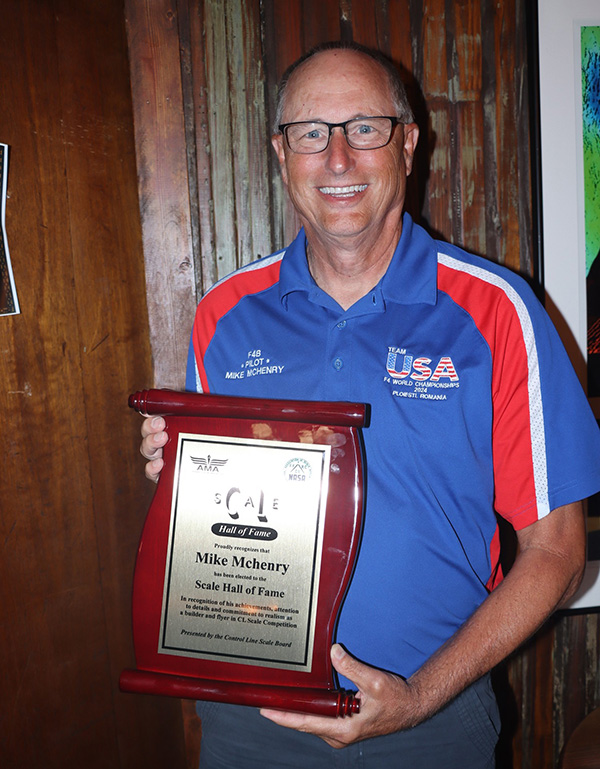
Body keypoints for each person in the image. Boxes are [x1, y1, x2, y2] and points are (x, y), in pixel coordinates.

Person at [140, 41, 600, 768]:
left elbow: (559, 551)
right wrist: (178, 472)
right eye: (311, 134)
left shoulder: (497, 313)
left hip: (432, 722)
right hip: (251, 718)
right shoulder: (224, 315)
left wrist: (417, 694)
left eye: (365, 128)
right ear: (281, 153)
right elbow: (218, 521)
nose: (338, 158)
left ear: (408, 143)